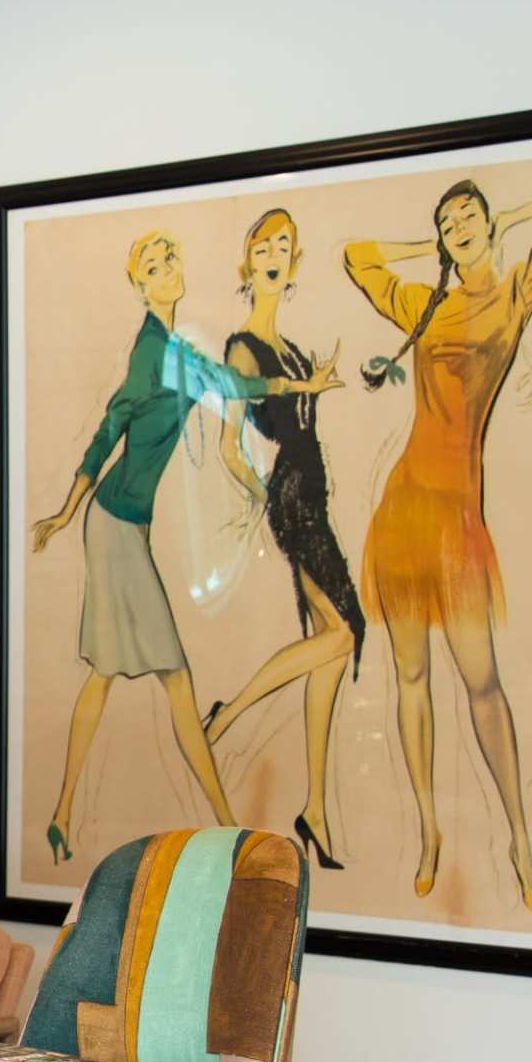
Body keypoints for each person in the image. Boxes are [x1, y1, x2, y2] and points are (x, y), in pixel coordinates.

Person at [35, 229, 338, 864]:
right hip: (113, 525)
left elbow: (231, 384)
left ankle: (61, 813)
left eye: (170, 257)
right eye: (153, 265)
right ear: (140, 287)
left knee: (104, 672)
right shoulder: (152, 352)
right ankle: (228, 826)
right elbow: (111, 427)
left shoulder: (176, 353)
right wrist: (66, 510)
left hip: (125, 526)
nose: (168, 268)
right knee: (175, 677)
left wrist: (299, 388)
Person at [346, 178, 532, 908]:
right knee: (411, 677)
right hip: (405, 508)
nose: (458, 225)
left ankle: (520, 836)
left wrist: (510, 217)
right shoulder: (426, 304)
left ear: (489, 222)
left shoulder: (515, 292)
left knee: (482, 682)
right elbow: (357, 257)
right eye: (448, 219)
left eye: (469, 215)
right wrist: (435, 246)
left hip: (458, 518)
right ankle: (429, 829)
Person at [198, 209, 362, 867]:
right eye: (262, 246)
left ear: (293, 263)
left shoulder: (291, 348)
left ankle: (315, 808)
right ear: (249, 263)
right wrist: (262, 496)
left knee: (329, 653)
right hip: (294, 497)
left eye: (283, 246)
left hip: (313, 492)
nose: (273, 255)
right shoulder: (243, 349)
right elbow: (229, 445)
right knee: (344, 633)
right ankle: (229, 712)